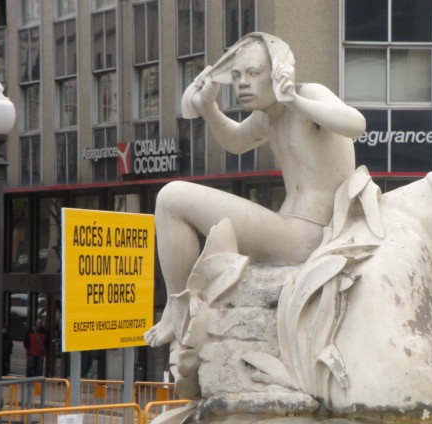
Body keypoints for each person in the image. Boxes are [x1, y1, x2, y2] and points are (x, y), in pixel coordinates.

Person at [144, 32, 366, 348]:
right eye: (236, 76)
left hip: (309, 235)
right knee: (172, 202)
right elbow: (235, 140)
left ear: (277, 72)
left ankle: (176, 308)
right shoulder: (267, 117)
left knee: (171, 197)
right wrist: (208, 107)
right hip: (288, 229)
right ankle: (180, 308)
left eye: (253, 73)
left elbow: (355, 123)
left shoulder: (309, 95)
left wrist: (296, 100)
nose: (242, 84)